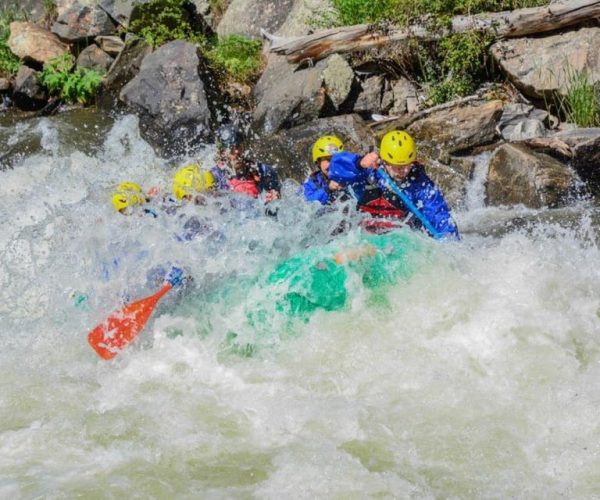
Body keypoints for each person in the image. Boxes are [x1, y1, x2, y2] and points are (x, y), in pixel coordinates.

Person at [327, 130, 459, 239]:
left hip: (397, 240)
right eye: (396, 166)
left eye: (407, 165)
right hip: (357, 233)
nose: (403, 171)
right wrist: (358, 163)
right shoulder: (368, 172)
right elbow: (335, 169)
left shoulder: (421, 185)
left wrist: (450, 244)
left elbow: (440, 218)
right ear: (384, 161)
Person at [210, 123, 281, 204]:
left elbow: (279, 201)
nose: (237, 151)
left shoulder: (263, 171)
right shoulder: (215, 176)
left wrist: (274, 199)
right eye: (231, 149)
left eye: (238, 146)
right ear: (222, 153)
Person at [303, 135, 350, 205]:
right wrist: (328, 189)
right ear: (318, 162)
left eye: (337, 159)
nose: (333, 164)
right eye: (328, 160)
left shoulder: (350, 174)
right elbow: (305, 203)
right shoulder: (312, 183)